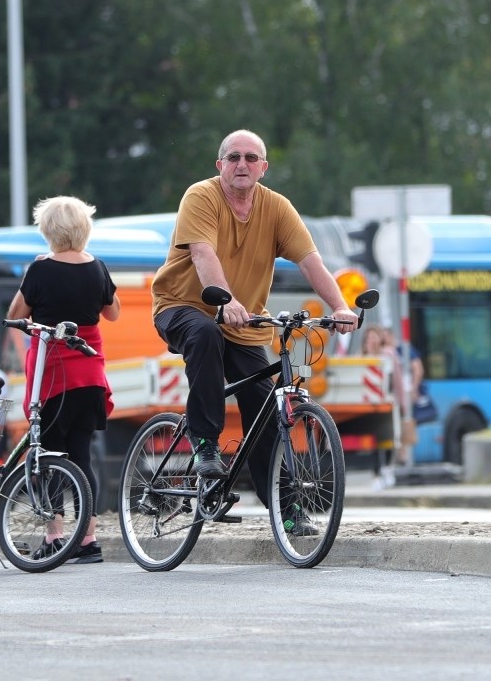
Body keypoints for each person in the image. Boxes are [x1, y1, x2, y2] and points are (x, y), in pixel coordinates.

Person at [151, 129, 359, 536]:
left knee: (265, 412)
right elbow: (202, 252)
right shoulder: (201, 196)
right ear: (220, 166)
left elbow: (310, 260)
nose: (242, 164)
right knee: (205, 335)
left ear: (263, 167)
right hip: (182, 306)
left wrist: (338, 307)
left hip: (245, 323)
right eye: (233, 157)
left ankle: (287, 508)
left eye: (250, 157)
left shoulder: (277, 208)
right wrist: (225, 300)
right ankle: (206, 446)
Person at [6, 195, 118, 564]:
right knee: (82, 455)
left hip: (52, 375)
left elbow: (15, 314)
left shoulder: (41, 269)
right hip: (89, 375)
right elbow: (112, 313)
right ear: (84, 228)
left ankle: (55, 536)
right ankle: (88, 540)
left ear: (48, 230)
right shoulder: (98, 267)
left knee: (50, 454)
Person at [363, 325, 423, 471]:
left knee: (389, 438)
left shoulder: (389, 355)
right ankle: (379, 472)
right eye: (370, 338)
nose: (373, 340)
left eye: (375, 336)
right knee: (375, 440)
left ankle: (388, 469)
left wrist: (403, 401)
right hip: (368, 406)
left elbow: (399, 380)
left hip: (387, 403)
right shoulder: (361, 358)